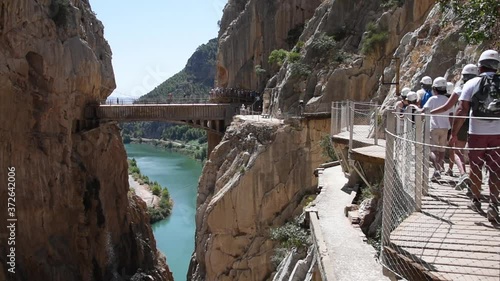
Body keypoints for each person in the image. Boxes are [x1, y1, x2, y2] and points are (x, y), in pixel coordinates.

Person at [450, 49, 500, 223]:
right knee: (495, 169)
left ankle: (476, 200)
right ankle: (493, 203)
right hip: (498, 135)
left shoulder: (472, 83)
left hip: (476, 133)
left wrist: (454, 133)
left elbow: (462, 109)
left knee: (476, 166)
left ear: (480, 67)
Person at [431, 64, 479, 179]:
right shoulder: (481, 84)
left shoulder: (461, 87)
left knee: (458, 150)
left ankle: (463, 174)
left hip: (462, 121)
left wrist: (429, 112)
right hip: (479, 121)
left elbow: (446, 107)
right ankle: (476, 178)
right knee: (477, 152)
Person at [424, 77, 453, 181]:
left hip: (434, 127)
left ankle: (436, 170)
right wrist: (451, 129)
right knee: (442, 150)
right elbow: (451, 115)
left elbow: (425, 110)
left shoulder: (432, 99)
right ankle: (440, 168)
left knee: (431, 150)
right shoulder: (448, 100)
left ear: (434, 89)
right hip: (445, 128)